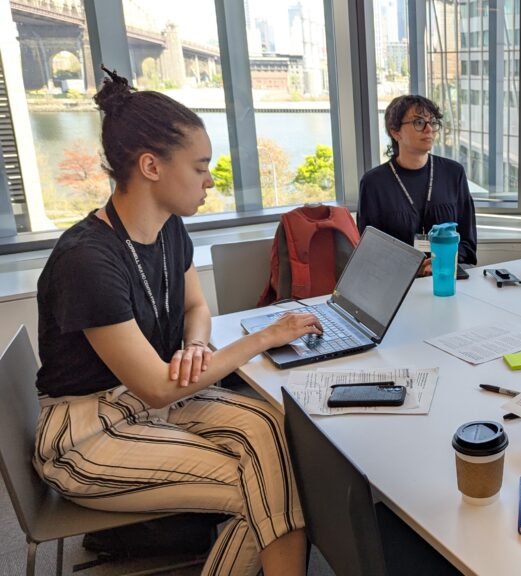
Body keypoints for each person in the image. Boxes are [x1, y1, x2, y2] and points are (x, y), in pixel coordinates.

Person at [33, 68, 323, 576]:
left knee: (275, 428)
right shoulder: (87, 260)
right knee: (261, 490)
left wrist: (196, 345)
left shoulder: (169, 230)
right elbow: (157, 388)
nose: (211, 180)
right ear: (151, 166)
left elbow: (196, 309)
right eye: (201, 167)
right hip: (86, 431)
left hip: (150, 401)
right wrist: (263, 338)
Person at [358, 95, 477, 275]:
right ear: (395, 132)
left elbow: (468, 244)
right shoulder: (374, 183)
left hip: (446, 276)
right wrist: (413, 268)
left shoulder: (454, 173)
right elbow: (370, 251)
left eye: (433, 122)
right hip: (398, 283)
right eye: (419, 122)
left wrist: (440, 262)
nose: (429, 129)